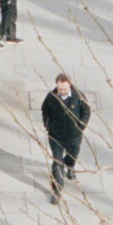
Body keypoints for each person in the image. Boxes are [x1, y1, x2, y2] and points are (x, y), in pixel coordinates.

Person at [41, 73, 90, 203]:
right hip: (56, 135)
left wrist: (81, 125)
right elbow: (44, 109)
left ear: (70, 85)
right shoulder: (51, 97)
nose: (61, 91)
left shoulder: (78, 97)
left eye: (64, 88)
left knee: (72, 155)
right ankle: (57, 190)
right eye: (59, 88)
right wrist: (47, 124)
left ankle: (70, 166)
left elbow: (86, 111)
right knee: (57, 162)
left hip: (73, 136)